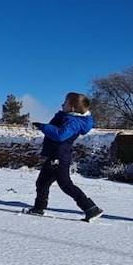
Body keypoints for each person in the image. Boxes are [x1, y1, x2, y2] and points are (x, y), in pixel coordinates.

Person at [23, 92, 104, 222]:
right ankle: (38, 208)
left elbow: (60, 135)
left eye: (65, 103)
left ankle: (91, 208)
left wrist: (43, 127)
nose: (62, 104)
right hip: (55, 156)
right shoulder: (68, 117)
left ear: (72, 108)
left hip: (59, 157)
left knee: (66, 185)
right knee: (42, 183)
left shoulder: (74, 122)